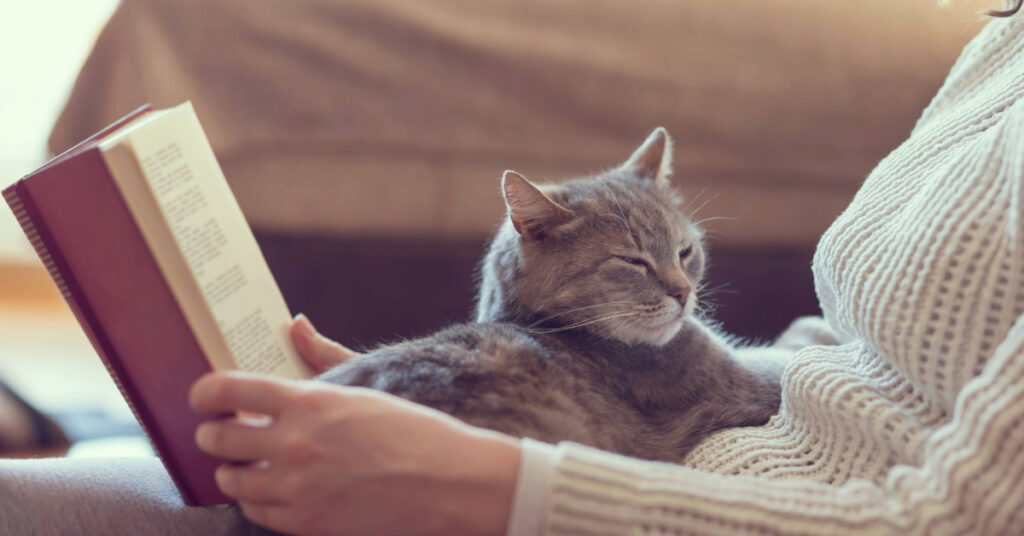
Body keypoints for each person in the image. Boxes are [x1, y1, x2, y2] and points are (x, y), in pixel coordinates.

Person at [2, 2, 1023, 535]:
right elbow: (858, 351)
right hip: (642, 457)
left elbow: (959, 519)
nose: (680, 286)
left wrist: (503, 486)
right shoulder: (995, 46)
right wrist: (442, 390)